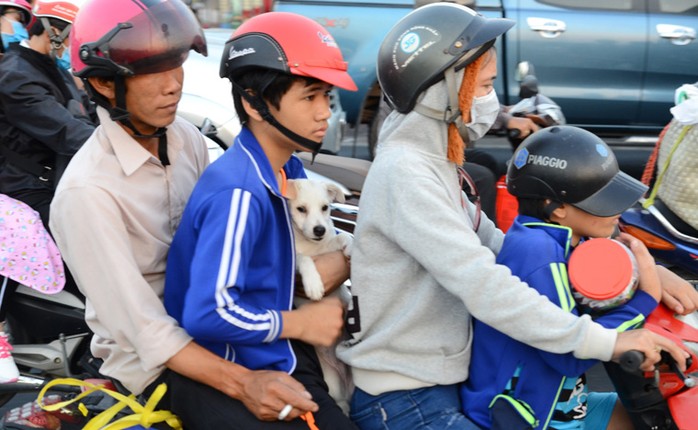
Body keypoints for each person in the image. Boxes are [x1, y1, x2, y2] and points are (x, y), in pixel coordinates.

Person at [335, 4, 689, 429]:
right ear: (443, 88)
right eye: (484, 85)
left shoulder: (434, 166)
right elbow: (486, 283)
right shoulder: (406, 173)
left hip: (444, 384)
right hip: (409, 400)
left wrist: (631, 267)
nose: (493, 102)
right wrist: (607, 341)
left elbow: (503, 249)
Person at [49, 0, 348, 425]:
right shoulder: (87, 194)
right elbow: (146, 331)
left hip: (225, 329)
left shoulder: (185, 138)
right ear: (103, 83)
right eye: (152, 71)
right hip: (163, 365)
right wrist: (245, 383)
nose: (173, 85)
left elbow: (228, 237)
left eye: (178, 65)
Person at [163, 12, 358, 429]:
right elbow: (207, 311)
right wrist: (300, 321)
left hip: (281, 352)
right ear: (253, 102)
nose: (325, 112)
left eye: (326, 95)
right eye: (309, 97)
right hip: (238, 366)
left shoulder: (289, 172)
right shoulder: (240, 192)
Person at [461, 125, 660, 430]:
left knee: (657, 417)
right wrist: (646, 299)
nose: (618, 210)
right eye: (604, 201)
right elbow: (568, 355)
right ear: (557, 208)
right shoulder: (537, 252)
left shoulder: (560, 241)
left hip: (563, 404)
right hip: (525, 416)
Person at [0, 0, 94, 231]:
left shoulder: (57, 70)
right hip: (28, 186)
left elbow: (87, 113)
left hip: (61, 177)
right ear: (54, 33)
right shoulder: (16, 75)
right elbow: (66, 131)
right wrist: (115, 147)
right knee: (78, 240)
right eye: (74, 39)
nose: (77, 48)